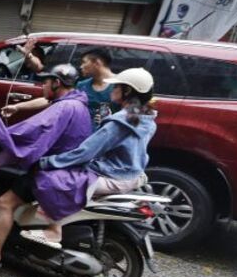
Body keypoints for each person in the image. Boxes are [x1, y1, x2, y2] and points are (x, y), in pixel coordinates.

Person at [0, 64, 91, 270]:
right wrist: (17, 109)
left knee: (5, 202)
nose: (41, 86)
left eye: (45, 82)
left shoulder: (63, 108)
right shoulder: (78, 104)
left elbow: (32, 131)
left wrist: (2, 135)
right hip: (67, 169)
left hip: (52, 173)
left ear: (57, 83)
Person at [23, 68, 158, 248]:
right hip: (131, 172)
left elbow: (85, 153)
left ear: (127, 91)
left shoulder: (119, 122)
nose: (112, 90)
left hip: (113, 175)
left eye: (117, 86)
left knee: (51, 178)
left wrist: (47, 161)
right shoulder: (144, 116)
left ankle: (53, 231)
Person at [4, 48, 118, 129]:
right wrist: (17, 107)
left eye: (84, 62)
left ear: (97, 63)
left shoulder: (121, 86)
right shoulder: (82, 86)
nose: (81, 66)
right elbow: (54, 100)